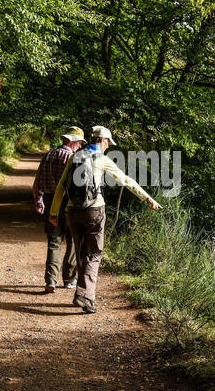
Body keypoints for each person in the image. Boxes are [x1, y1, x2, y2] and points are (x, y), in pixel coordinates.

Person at [49, 125, 160, 313]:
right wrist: (147, 197)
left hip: (73, 211)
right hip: (94, 210)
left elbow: (61, 186)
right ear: (103, 141)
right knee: (94, 254)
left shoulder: (75, 156)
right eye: (108, 143)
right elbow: (125, 180)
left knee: (80, 252)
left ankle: (81, 292)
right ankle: (85, 297)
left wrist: (53, 212)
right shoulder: (102, 159)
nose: (108, 146)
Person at [33, 127, 84, 293]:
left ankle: (51, 280)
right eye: (78, 142)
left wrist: (39, 201)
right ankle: (69, 279)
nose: (79, 146)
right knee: (73, 241)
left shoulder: (48, 155)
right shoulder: (72, 157)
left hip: (49, 201)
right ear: (70, 141)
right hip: (68, 203)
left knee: (54, 242)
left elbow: (37, 182)